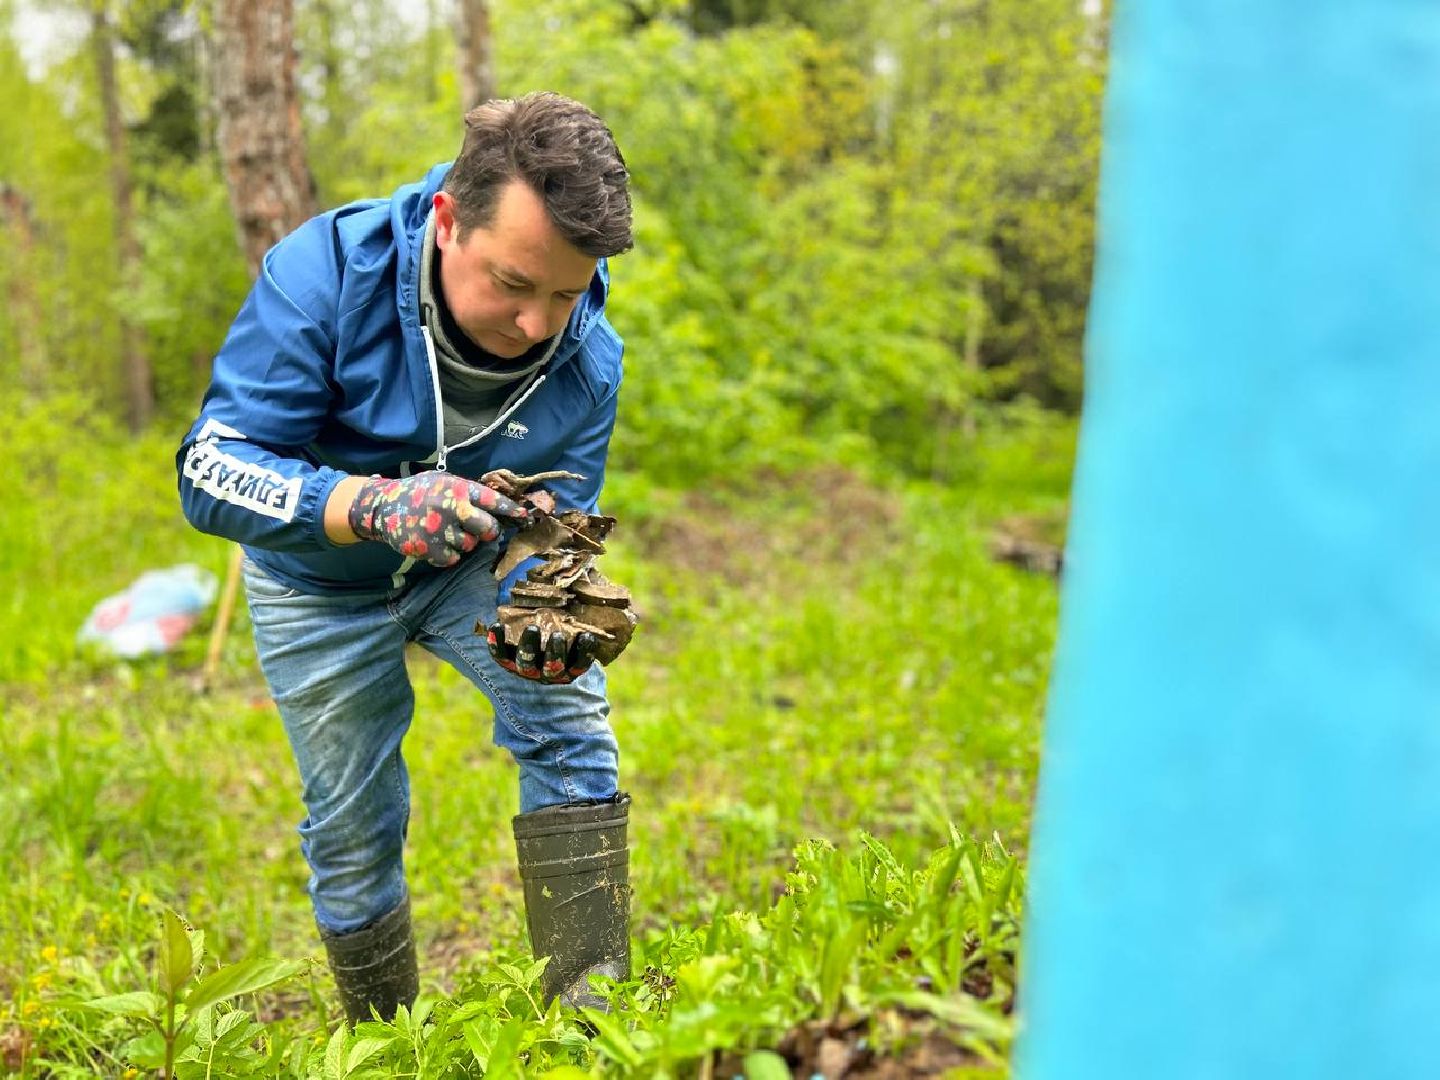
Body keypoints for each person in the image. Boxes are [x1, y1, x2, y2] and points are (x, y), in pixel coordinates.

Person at [176, 92, 635, 1023]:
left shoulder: (590, 360)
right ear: (447, 221)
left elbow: (557, 522)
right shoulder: (325, 276)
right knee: (353, 819)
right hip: (317, 575)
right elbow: (209, 470)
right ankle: (384, 1038)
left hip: (465, 562)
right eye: (513, 283)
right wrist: (372, 505)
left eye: (565, 290)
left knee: (571, 723)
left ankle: (592, 1022)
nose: (538, 322)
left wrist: (548, 593)